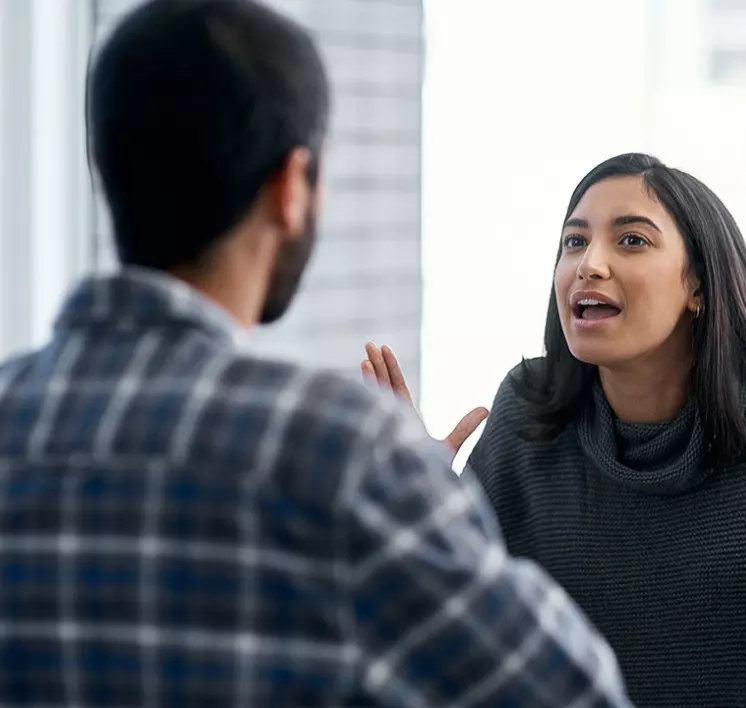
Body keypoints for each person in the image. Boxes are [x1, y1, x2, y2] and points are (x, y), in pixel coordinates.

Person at [0, 2, 638, 706]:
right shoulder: (340, 451)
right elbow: (575, 694)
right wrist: (432, 501)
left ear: (102, 164)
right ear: (291, 186)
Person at [363, 153, 746, 708]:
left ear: (698, 284)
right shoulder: (531, 414)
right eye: (574, 242)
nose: (590, 264)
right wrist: (420, 515)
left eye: (631, 240)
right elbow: (447, 653)